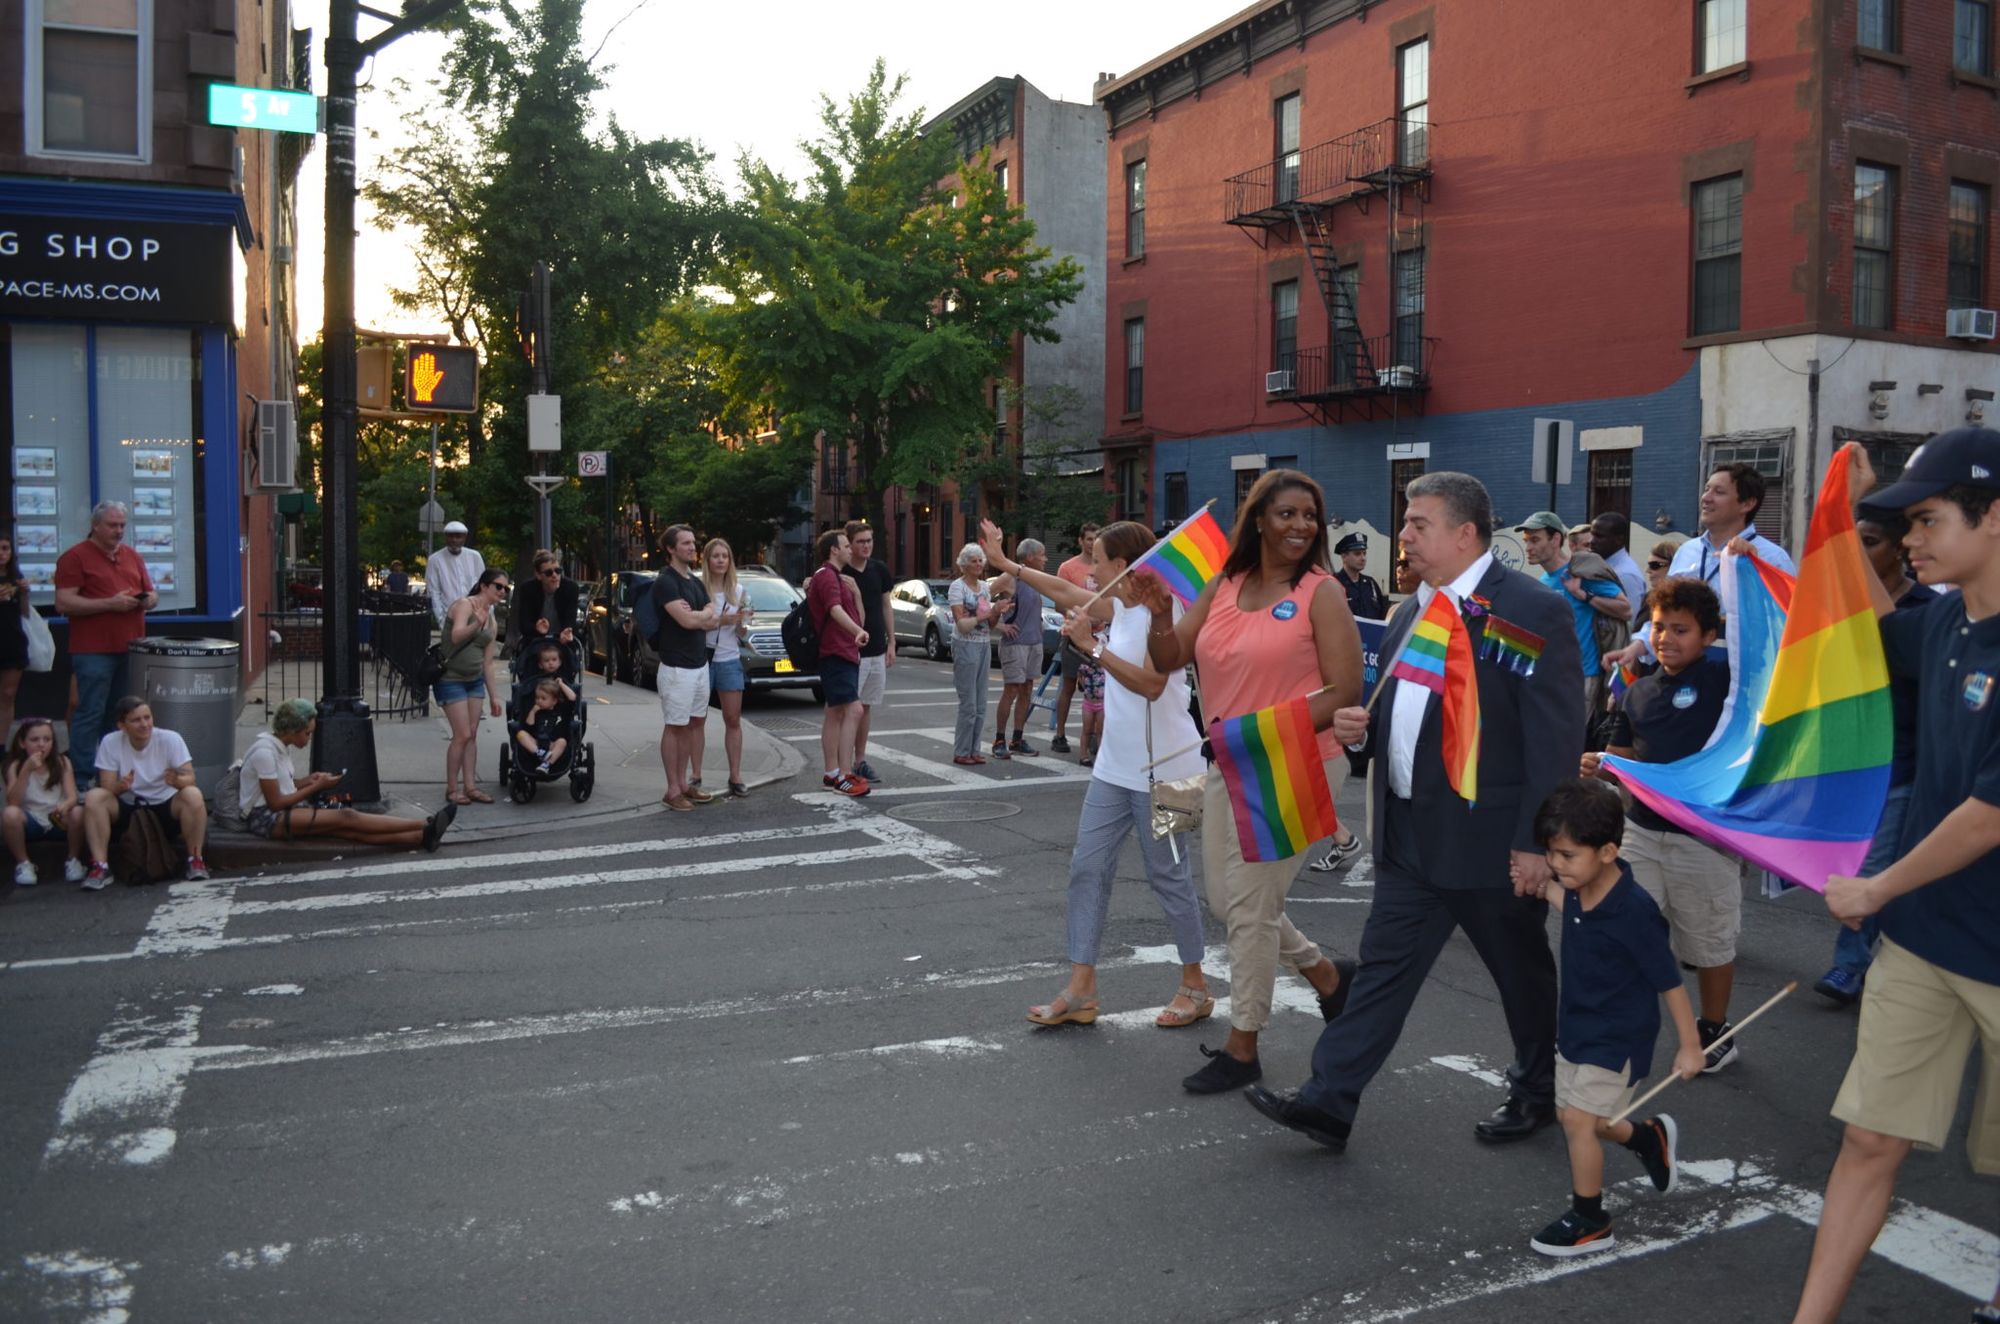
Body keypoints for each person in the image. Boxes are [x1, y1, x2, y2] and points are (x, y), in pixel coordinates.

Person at [1242, 471, 1582, 1149]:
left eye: (1417, 524)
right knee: (1382, 974)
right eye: (1404, 523)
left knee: (1521, 977)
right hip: (1408, 838)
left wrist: (1537, 842)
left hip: (1490, 842)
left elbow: (1554, 735)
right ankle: (1329, 1101)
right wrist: (1360, 732)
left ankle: (1538, 1090)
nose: (1402, 537)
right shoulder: (1412, 609)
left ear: (1465, 532)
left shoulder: (1527, 609)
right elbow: (1406, 711)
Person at [1791, 433, 2000, 1324]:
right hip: (1924, 939)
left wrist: (1875, 890)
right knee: (1871, 1137)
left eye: (1926, 519)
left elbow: (1989, 815)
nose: (1907, 541)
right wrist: (1848, 506)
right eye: (1904, 522)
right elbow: (1863, 611)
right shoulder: (1948, 620)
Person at [1145, 470, 1364, 1094]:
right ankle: (1327, 976)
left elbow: (1345, 689)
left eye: (1310, 517)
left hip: (1297, 760)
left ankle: (1244, 1045)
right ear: (1259, 520)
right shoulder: (1223, 583)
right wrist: (1162, 614)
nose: (1301, 526)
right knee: (1230, 900)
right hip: (1232, 762)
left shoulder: (1322, 592)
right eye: (1288, 514)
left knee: (1247, 908)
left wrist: (1258, 728)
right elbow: (1168, 659)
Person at [980, 519, 1216, 1027]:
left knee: (1170, 879)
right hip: (1113, 769)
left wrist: (1093, 648)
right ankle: (1082, 989)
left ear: (1124, 567)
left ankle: (1195, 985)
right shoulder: (1122, 605)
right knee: (1087, 869)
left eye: (1100, 562)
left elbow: (1152, 685)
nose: (1092, 572)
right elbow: (1065, 589)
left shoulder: (1168, 612)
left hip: (1171, 771)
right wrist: (1007, 566)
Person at [1527, 778, 1704, 1258]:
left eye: (1566, 856)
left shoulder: (1634, 912)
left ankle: (1590, 1219)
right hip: (1578, 1025)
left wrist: (1691, 1047)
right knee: (1577, 1117)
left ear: (1607, 851)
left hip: (1618, 1035)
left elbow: (1669, 981)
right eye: (1551, 854)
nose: (1555, 865)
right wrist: (1545, 889)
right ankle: (1648, 1139)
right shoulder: (1581, 887)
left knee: (1580, 1123)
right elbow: (1579, 916)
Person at [1582, 577, 1744, 1072]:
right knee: (1627, 929)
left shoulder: (1728, 681)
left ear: (1709, 637)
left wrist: (1746, 573)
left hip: (1707, 842)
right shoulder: (1638, 692)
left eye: (1681, 629)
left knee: (1708, 941)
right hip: (1641, 835)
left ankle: (1715, 1028)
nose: (1666, 638)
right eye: (1657, 627)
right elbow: (1623, 761)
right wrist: (1601, 765)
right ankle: (1622, 1023)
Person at [1813, 508, 1937, 1007]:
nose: (1858, 553)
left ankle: (1849, 964)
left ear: (1899, 548)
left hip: (1905, 763)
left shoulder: (1929, 610)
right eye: (1853, 542)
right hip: (1851, 759)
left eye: (1868, 542)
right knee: (1853, 864)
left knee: (1874, 870)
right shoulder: (1841, 607)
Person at [1607, 464, 1796, 672]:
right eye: (1707, 489)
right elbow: (1666, 612)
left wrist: (1746, 570)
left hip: (1743, 676)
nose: (1706, 497)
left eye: (1719, 492)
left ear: (1747, 504)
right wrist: (1637, 647)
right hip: (1683, 674)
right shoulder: (1688, 551)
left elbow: (1786, 625)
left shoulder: (1771, 558)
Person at [241, 699, 455, 850]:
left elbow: (283, 785)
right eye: (307, 734)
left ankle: (421, 837)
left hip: (280, 812)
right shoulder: (264, 752)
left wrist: (308, 780)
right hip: (267, 819)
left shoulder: (280, 746)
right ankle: (425, 823)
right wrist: (316, 787)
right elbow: (276, 802)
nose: (308, 740)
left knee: (346, 831)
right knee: (347, 816)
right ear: (292, 730)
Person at [53, 501, 155, 783]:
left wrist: (149, 600)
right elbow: (63, 602)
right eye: (113, 525)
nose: (119, 530)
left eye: (122, 525)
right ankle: (83, 776)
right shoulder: (75, 557)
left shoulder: (132, 556)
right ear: (95, 525)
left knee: (122, 715)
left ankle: (114, 774)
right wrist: (110, 603)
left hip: (131, 647)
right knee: (90, 712)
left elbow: (151, 592)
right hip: (94, 650)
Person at [79, 696, 208, 888]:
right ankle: (100, 866)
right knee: (94, 797)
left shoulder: (170, 739)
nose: (144, 724)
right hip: (128, 805)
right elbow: (106, 786)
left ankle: (195, 860)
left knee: (193, 794)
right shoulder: (110, 742)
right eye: (136, 720)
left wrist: (177, 781)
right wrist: (120, 787)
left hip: (164, 805)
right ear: (122, 726)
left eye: (147, 717)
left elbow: (190, 778)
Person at [1309, 530, 1380, 872]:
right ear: (1343, 557)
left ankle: (1341, 837)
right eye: (1355, 553)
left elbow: (1377, 624)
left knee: (1303, 786)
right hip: (1341, 675)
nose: (1361, 558)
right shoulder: (1335, 586)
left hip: (1358, 673)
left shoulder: (1368, 586)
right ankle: (1340, 837)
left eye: (1364, 553)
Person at [1519, 511, 1627, 725]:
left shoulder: (1581, 571)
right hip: (1552, 674)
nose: (1529, 547)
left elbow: (1625, 609)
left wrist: (1583, 595)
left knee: (1567, 743)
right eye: (1526, 541)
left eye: (1535, 539)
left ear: (1556, 539)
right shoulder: (1544, 580)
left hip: (1582, 675)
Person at [649, 525, 718, 811]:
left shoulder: (695, 581)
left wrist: (700, 615)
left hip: (699, 664)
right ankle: (672, 789)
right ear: (670, 549)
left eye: (693, 542)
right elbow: (688, 622)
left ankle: (685, 784)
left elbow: (713, 616)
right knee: (675, 727)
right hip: (677, 667)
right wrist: (702, 616)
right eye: (686, 543)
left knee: (694, 725)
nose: (692, 547)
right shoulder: (666, 582)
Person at [435, 567, 508, 805]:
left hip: (474, 681)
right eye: (498, 586)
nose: (503, 591)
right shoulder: (465, 605)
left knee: (472, 734)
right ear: (484, 586)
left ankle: (471, 786)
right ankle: (452, 789)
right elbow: (456, 636)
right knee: (462, 734)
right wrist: (477, 622)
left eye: (506, 588)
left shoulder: (492, 618)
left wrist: (494, 696)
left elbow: (488, 663)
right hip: (451, 679)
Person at [807, 529, 869, 796]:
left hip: (844, 652)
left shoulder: (836, 578)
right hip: (836, 652)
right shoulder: (827, 577)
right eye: (845, 545)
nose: (850, 549)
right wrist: (856, 631)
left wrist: (856, 599)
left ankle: (832, 773)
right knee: (854, 710)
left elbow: (856, 617)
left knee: (835, 712)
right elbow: (834, 610)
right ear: (833, 549)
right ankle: (844, 775)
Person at [840, 521, 894, 784]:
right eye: (861, 541)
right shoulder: (842, 570)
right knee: (849, 709)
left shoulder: (879, 569)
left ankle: (860, 760)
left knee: (866, 707)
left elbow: (886, 606)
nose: (867, 545)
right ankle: (842, 765)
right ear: (849, 543)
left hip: (876, 649)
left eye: (869, 540)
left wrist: (892, 642)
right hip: (851, 650)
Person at [3, 717, 85, 885]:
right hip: (31, 819)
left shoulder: (62, 762)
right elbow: (13, 801)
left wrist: (66, 805)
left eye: (47, 740)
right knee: (9, 814)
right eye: (35, 740)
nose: (41, 745)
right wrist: (26, 770)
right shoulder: (16, 766)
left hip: (57, 818)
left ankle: (73, 860)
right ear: (22, 743)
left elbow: (72, 796)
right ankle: (24, 863)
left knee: (78, 812)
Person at [702, 537, 753, 799]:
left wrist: (743, 623)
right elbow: (697, 624)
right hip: (703, 658)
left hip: (730, 658)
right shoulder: (700, 589)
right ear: (707, 560)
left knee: (733, 719)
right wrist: (723, 620)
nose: (721, 560)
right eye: (716, 556)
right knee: (695, 720)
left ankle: (736, 775)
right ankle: (695, 776)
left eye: (725, 556)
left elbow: (741, 632)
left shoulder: (739, 590)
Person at [989, 538, 1047, 760]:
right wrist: (1000, 624)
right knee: (1011, 690)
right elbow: (982, 598)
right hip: (1015, 644)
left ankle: (1018, 738)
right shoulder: (1009, 577)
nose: (1045, 558)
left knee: (1027, 690)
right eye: (1042, 554)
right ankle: (999, 740)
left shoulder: (1035, 579)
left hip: (1034, 642)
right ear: (1030, 557)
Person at [1050, 524, 1100, 754]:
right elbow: (1059, 601)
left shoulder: (1105, 567)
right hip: (1074, 636)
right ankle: (1059, 734)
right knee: (1068, 685)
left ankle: (1093, 737)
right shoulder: (1068, 567)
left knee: (1100, 690)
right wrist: (1075, 616)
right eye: (1089, 539)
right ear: (1080, 541)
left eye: (1096, 538)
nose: (1092, 543)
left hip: (1101, 635)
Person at [947, 542, 996, 766]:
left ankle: (974, 750)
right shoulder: (957, 587)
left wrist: (998, 611)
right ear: (964, 565)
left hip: (984, 643)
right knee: (968, 704)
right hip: (965, 644)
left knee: (981, 702)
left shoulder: (985, 587)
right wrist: (985, 616)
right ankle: (962, 751)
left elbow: (990, 623)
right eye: (973, 561)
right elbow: (962, 624)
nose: (978, 564)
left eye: (980, 560)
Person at [508, 549, 580, 651]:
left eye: (558, 571)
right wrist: (536, 628)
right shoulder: (528, 589)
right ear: (538, 575)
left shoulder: (570, 588)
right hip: (535, 642)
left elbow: (571, 617)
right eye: (548, 573)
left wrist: (566, 631)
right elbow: (524, 623)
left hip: (562, 642)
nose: (554, 575)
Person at [1589, 513, 1649, 625]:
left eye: (1599, 536)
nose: (1591, 541)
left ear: (1619, 540)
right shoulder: (1602, 567)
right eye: (1592, 535)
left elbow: (1631, 621)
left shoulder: (1625, 575)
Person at [426, 521, 486, 628]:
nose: (454, 540)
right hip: (449, 617)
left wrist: (486, 611)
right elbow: (434, 592)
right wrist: (441, 620)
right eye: (451, 536)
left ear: (464, 537)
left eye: (458, 536)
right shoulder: (435, 559)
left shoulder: (475, 557)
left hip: (474, 615)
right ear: (446, 537)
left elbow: (484, 586)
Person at [0, 535, 29, 741]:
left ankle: (1, 743)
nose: (1, 554)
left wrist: (25, 593)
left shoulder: (15, 578)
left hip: (12, 640)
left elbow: (25, 614)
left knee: (8, 695)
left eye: (5, 548)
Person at [512, 679, 571, 773]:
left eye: (543, 698)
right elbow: (528, 727)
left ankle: (547, 763)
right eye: (537, 698)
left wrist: (561, 684)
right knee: (521, 734)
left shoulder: (561, 710)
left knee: (562, 742)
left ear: (554, 701)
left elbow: (573, 698)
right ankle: (540, 753)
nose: (539, 701)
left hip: (552, 744)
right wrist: (533, 712)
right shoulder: (536, 711)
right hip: (536, 743)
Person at [1331, 530, 1388, 621]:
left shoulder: (1371, 584)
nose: (1363, 558)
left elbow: (1382, 617)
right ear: (1344, 556)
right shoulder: (1333, 584)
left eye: (1364, 553)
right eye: (1357, 554)